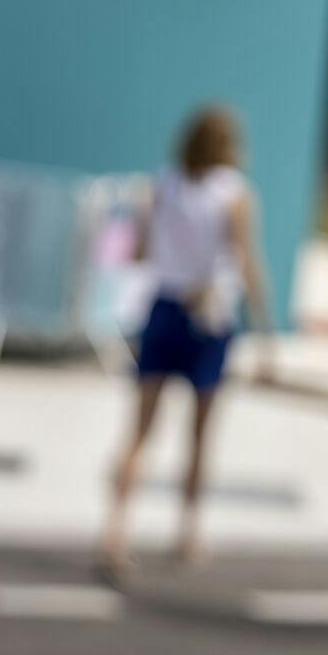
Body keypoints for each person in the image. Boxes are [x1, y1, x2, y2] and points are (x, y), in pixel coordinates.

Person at [97, 104, 274, 585]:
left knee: (140, 429)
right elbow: (246, 261)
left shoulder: (163, 184)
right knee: (199, 433)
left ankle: (115, 531)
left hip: (164, 307)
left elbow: (139, 253)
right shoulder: (233, 193)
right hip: (208, 315)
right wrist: (266, 334)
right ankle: (188, 529)